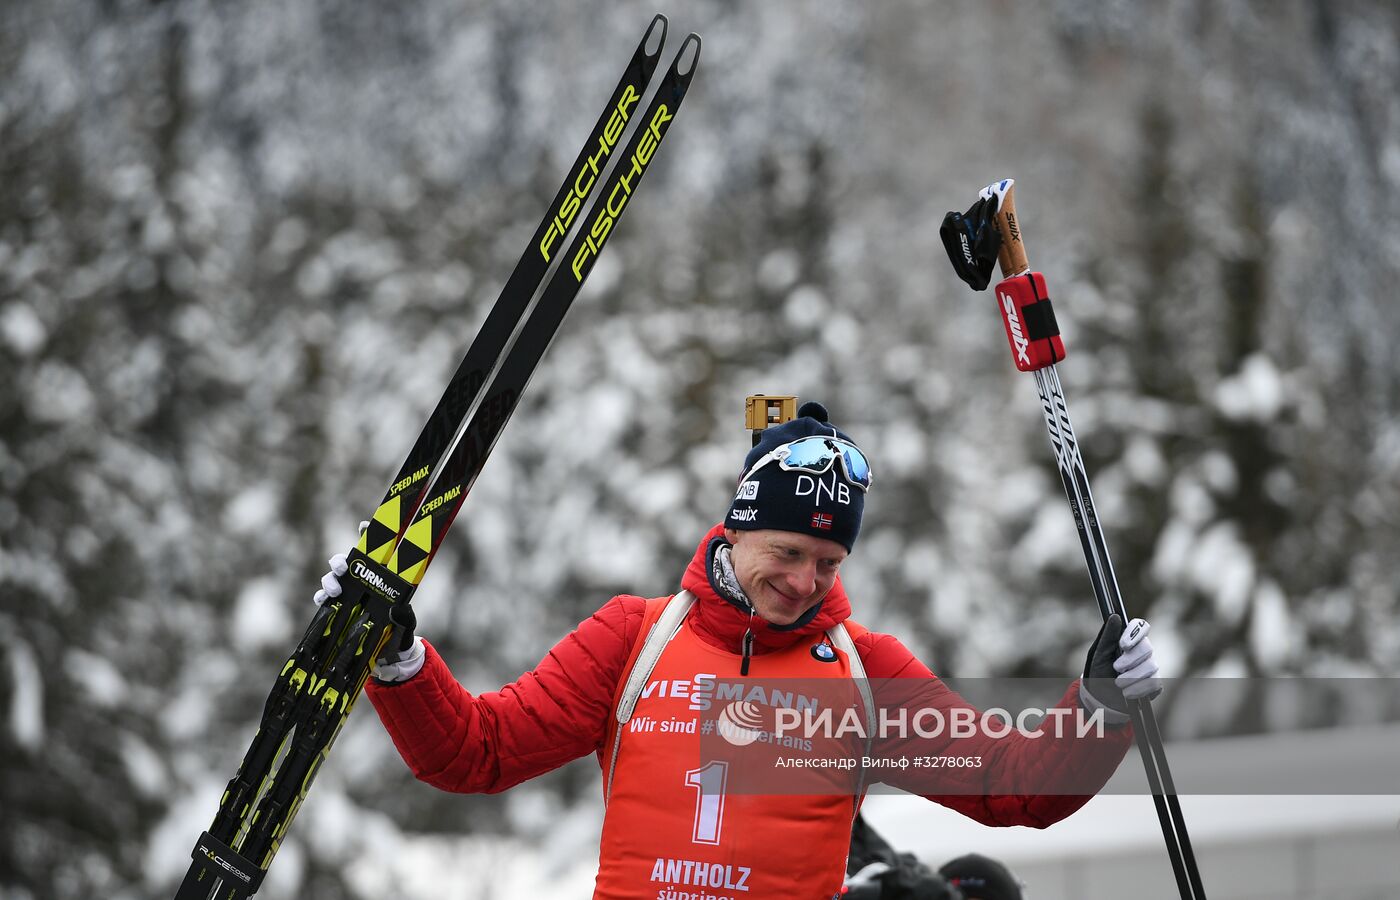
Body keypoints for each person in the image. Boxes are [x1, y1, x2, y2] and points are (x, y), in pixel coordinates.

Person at [316, 401, 1160, 899]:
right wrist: (398, 662)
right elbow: (475, 753)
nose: (804, 583)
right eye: (786, 554)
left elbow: (1013, 788)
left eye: (829, 563)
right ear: (738, 528)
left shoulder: (864, 672)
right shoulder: (635, 639)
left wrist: (1097, 709)